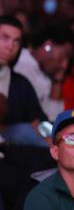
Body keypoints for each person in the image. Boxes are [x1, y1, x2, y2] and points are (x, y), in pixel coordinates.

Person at [13, 24, 74, 120]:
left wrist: (58, 79)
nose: (64, 65)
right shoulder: (19, 64)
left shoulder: (45, 76)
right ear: (48, 46)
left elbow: (53, 117)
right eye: (63, 56)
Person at [0, 15, 45, 146]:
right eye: (5, 38)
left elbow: (39, 121)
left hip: (16, 152)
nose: (10, 46)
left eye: (16, 41)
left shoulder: (20, 83)